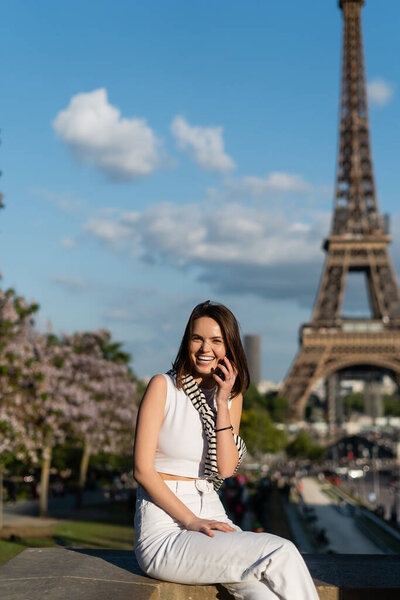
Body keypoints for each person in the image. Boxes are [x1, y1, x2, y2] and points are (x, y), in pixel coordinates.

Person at [133, 301, 319, 600]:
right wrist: (191, 520)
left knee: (264, 594)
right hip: (167, 530)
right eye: (197, 338)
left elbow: (225, 469)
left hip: (213, 518)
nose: (205, 348)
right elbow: (142, 469)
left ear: (229, 347)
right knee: (281, 551)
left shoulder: (231, 397)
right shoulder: (163, 387)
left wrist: (221, 402)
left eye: (216, 341)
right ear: (187, 342)